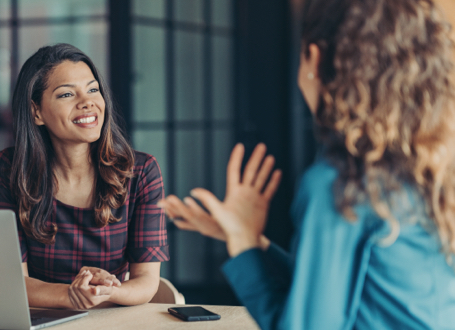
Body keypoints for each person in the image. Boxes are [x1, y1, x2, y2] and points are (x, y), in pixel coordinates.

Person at [159, 0, 455, 328]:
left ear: (313, 58)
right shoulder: (430, 164)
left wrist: (243, 245)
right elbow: (341, 290)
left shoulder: (343, 181)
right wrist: (250, 241)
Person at [0, 43, 169, 309]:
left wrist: (106, 291)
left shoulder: (141, 171)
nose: (88, 103)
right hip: (43, 319)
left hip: (112, 318)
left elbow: (146, 281)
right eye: (66, 95)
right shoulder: (11, 169)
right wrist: (70, 295)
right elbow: (12, 280)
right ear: (36, 111)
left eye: (93, 89)